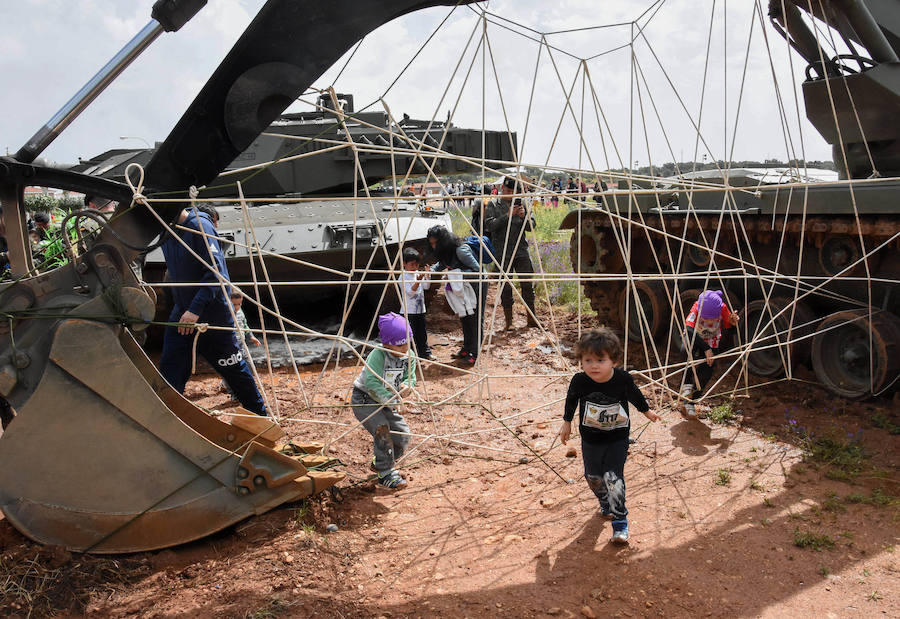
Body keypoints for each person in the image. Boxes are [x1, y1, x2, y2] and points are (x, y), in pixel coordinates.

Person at [158, 205, 268, 416]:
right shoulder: (165, 227)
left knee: (234, 370)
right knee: (170, 369)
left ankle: (262, 418)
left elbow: (216, 273)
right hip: (183, 313)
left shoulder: (199, 226)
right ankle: (166, 419)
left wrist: (195, 309)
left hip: (210, 315)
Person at [559, 328, 660, 544]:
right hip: (591, 440)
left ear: (613, 361)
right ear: (581, 361)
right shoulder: (579, 381)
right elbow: (571, 400)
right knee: (593, 477)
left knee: (613, 478)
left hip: (617, 438)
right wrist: (566, 422)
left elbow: (635, 395)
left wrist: (646, 411)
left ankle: (620, 523)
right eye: (588, 360)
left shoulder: (622, 379)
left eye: (600, 360)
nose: (593, 365)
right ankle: (605, 502)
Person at [351, 313, 417, 489]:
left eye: (407, 343)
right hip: (365, 399)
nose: (405, 348)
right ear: (386, 343)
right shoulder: (377, 356)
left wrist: (406, 386)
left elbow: (410, 377)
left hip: (388, 401)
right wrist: (393, 401)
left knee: (402, 436)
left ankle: (380, 461)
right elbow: (371, 383)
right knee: (382, 430)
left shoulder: (409, 355)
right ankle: (385, 474)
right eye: (400, 345)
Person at [472, 176, 538, 330]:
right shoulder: (494, 204)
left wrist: (523, 216)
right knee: (506, 287)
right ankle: (509, 322)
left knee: (527, 284)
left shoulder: (523, 204)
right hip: (502, 252)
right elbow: (489, 225)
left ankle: (532, 319)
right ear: (502, 188)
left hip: (521, 250)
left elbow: (532, 226)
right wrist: (507, 216)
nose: (508, 194)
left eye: (512, 192)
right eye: (507, 190)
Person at [427, 225, 483, 365]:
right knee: (464, 316)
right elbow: (441, 264)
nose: (433, 246)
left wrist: (454, 274)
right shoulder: (446, 252)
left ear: (443, 241)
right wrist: (431, 270)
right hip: (461, 286)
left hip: (475, 286)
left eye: (435, 243)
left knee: (475, 318)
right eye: (431, 243)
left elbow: (478, 271)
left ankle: (475, 353)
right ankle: (466, 348)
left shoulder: (461, 250)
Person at [680, 290, 740, 418]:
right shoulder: (696, 307)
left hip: (712, 341)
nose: (711, 321)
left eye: (713, 318)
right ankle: (686, 387)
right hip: (694, 338)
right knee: (686, 354)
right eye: (707, 318)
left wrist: (734, 324)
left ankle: (690, 402)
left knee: (707, 372)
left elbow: (730, 330)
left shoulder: (722, 308)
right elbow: (689, 330)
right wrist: (706, 349)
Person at [401, 247, 433, 361]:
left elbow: (426, 286)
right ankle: (412, 356)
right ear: (404, 263)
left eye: (417, 265)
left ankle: (425, 353)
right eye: (412, 264)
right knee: (410, 334)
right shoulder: (402, 276)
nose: (415, 267)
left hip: (420, 309)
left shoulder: (417, 273)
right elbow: (410, 292)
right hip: (408, 311)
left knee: (422, 332)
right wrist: (418, 281)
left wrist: (427, 276)